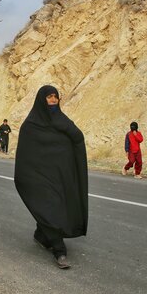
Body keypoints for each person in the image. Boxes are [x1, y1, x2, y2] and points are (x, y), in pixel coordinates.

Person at [14, 85, 88, 269]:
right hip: (37, 178)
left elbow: (77, 138)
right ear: (42, 99)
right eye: (49, 97)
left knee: (53, 209)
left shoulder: (62, 120)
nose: (53, 100)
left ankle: (41, 235)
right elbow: (24, 155)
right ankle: (59, 250)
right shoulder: (31, 125)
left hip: (59, 177)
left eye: (56, 96)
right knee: (50, 207)